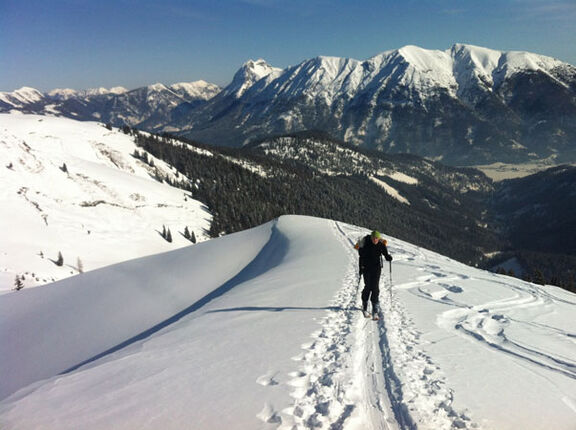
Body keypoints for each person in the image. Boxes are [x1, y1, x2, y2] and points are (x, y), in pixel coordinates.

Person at [354, 230, 392, 319]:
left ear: (379, 239)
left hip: (376, 268)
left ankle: (375, 307)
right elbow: (361, 257)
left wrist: (389, 257)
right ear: (371, 238)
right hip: (366, 268)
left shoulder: (381, 245)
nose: (375, 240)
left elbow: (385, 255)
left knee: (375, 287)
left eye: (377, 238)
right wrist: (360, 269)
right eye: (373, 238)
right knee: (368, 286)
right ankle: (365, 305)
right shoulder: (366, 244)